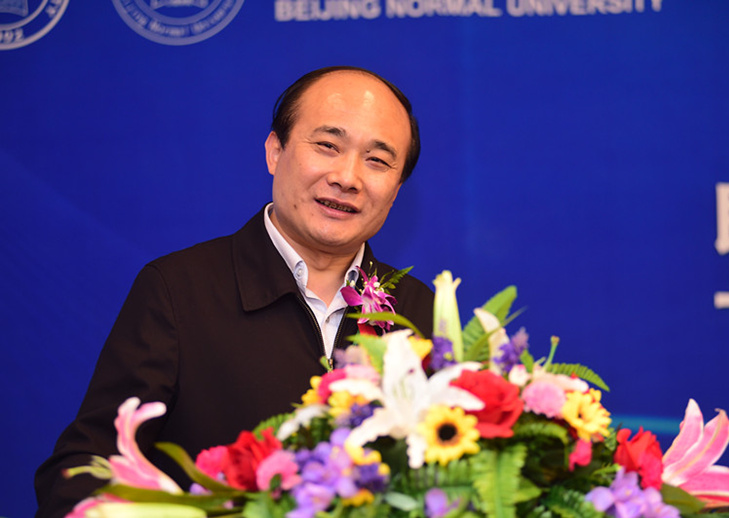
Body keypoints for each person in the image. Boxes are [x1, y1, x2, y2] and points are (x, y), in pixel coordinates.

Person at [34, 66, 434, 518]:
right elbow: (84, 469)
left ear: (396, 190)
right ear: (275, 151)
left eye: (377, 160)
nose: (347, 176)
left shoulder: (419, 312)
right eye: (327, 145)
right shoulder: (179, 290)